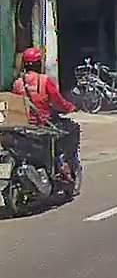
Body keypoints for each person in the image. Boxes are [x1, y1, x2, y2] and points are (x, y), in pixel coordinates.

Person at [11, 47, 81, 188]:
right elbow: (59, 102)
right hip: (44, 124)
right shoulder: (45, 81)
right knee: (71, 130)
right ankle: (63, 167)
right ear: (39, 63)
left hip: (24, 126)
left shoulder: (18, 83)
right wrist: (71, 107)